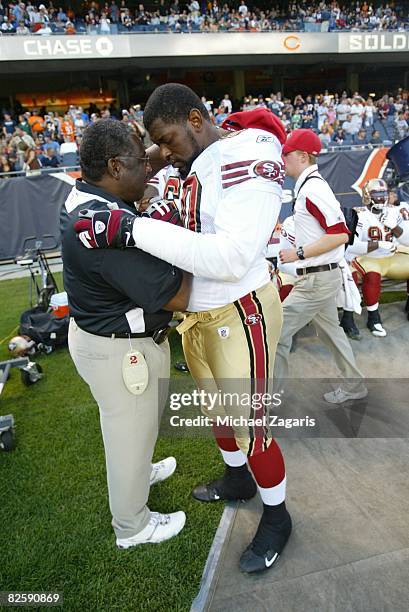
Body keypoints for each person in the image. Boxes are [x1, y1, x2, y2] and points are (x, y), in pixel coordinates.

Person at [74, 86, 292, 574]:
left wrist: (131, 228)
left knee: (251, 425)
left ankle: (278, 516)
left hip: (241, 308)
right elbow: (158, 171)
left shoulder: (247, 154)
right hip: (197, 313)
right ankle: (238, 480)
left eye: (168, 140)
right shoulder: (189, 154)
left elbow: (232, 259)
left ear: (196, 118)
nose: (163, 153)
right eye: (158, 145)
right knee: (216, 408)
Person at [61, 119, 190, 549]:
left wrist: (143, 190)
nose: (150, 168)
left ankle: (139, 469)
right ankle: (132, 527)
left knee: (132, 431)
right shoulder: (103, 223)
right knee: (127, 434)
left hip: (106, 337)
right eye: (140, 160)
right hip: (121, 348)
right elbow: (175, 293)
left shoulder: (93, 194)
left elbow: (136, 181)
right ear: (115, 167)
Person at [274, 128, 367, 404]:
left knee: (275, 333)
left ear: (302, 156)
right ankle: (354, 385)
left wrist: (298, 253)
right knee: (332, 333)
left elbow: (339, 234)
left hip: (316, 279)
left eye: (286, 154)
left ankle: (267, 402)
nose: (283, 159)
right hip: (319, 277)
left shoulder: (312, 189)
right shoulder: (309, 186)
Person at [341, 179, 409, 338]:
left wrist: (395, 227)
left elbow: (407, 240)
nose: (380, 197)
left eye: (383, 193)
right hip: (367, 257)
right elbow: (351, 246)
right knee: (372, 274)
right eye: (376, 194)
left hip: (391, 257)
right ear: (367, 195)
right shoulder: (358, 214)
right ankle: (373, 317)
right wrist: (378, 245)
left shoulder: (394, 212)